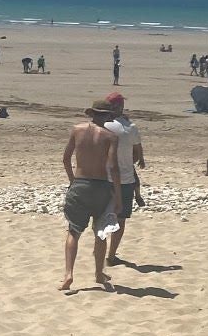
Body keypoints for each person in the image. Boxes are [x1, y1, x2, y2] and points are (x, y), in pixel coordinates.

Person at [60, 99, 122, 292]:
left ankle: (69, 274)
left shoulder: (77, 130)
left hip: (80, 183)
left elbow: (65, 159)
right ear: (108, 116)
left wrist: (72, 180)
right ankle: (98, 273)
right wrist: (118, 195)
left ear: (92, 114)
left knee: (73, 231)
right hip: (101, 186)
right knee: (100, 232)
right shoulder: (111, 137)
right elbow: (113, 167)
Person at [102, 92, 145, 266]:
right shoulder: (130, 127)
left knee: (102, 218)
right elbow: (137, 152)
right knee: (120, 220)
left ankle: (99, 252)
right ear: (121, 107)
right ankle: (111, 256)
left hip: (103, 178)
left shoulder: (101, 126)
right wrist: (128, 161)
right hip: (125, 179)